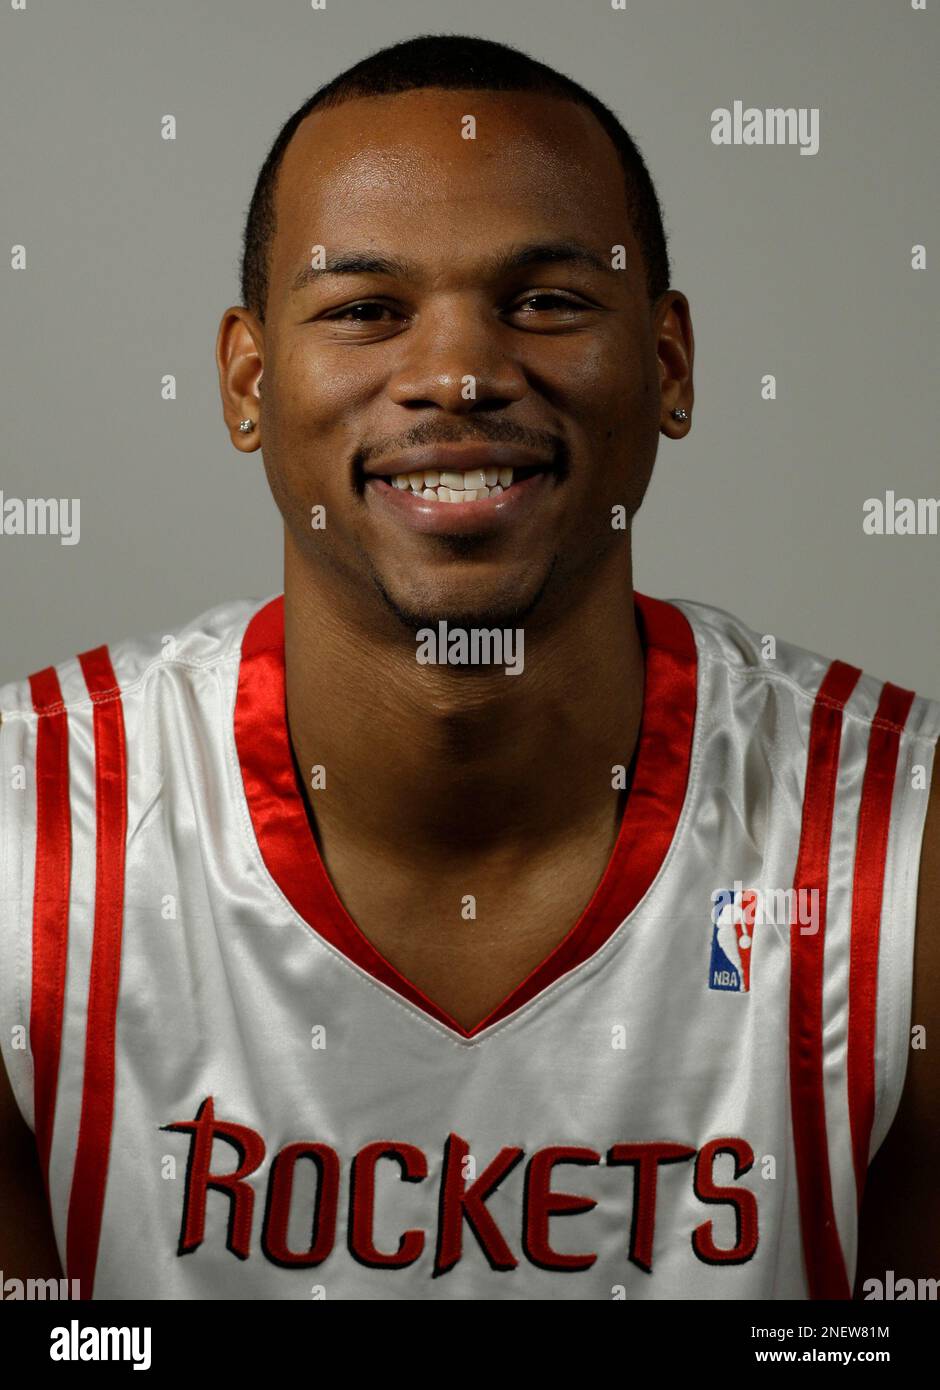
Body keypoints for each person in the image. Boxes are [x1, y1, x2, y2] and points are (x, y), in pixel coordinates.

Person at [1, 34, 937, 1301]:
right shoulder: (27, 837)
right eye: (365, 309)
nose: (457, 375)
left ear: (669, 364)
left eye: (546, 301)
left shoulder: (899, 854)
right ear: (247, 379)